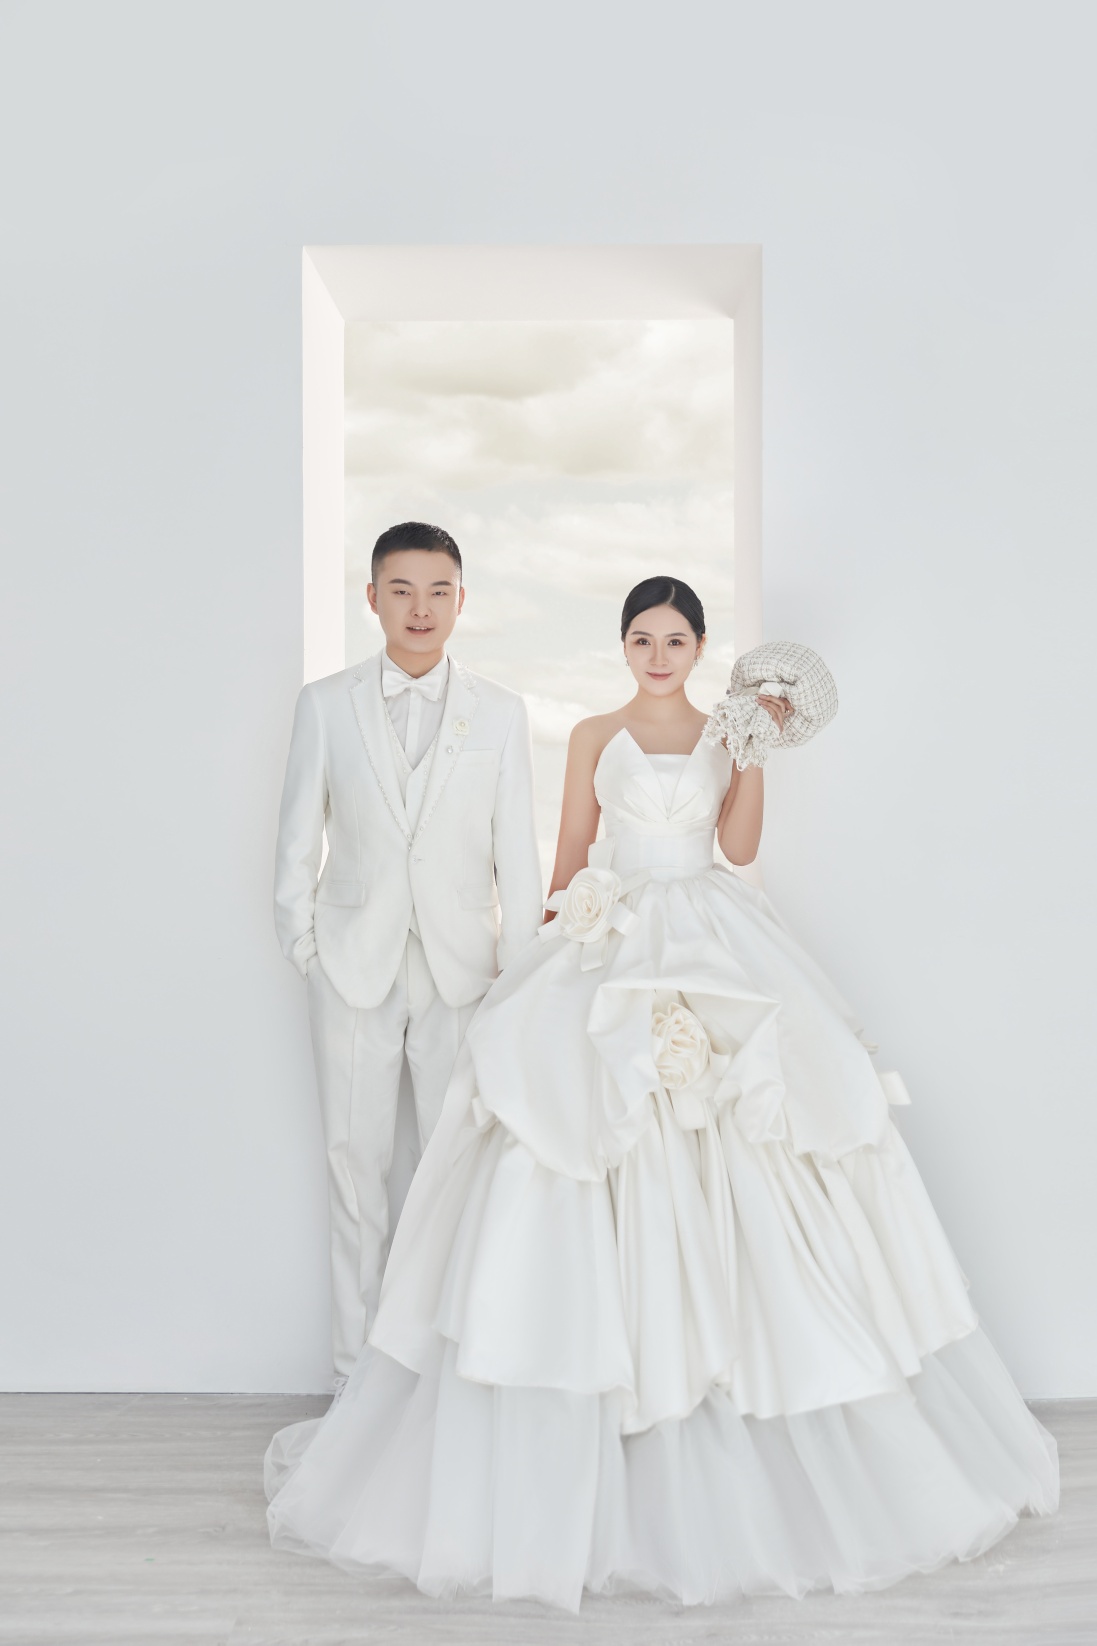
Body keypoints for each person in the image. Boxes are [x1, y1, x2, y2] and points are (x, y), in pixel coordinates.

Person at [266, 575, 1058, 1611]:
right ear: (623, 645)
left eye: (674, 640)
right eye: (640, 638)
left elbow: (738, 849)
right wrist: (547, 952)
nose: (656, 654)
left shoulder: (728, 732)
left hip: (712, 928)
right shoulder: (593, 733)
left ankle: (740, 1380)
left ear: (698, 647)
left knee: (747, 1130)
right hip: (615, 925)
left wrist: (754, 750)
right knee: (574, 1128)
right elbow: (567, 854)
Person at [273, 521, 543, 1386]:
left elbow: (518, 855)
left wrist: (515, 972)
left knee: (450, 1171)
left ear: (461, 601)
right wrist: (307, 949)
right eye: (401, 590)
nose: (419, 609)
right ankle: (357, 1378)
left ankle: (441, 1375)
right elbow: (296, 839)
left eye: (437, 592)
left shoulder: (500, 713)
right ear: (372, 598)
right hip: (350, 963)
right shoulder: (326, 704)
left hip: (463, 970)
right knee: (354, 1171)